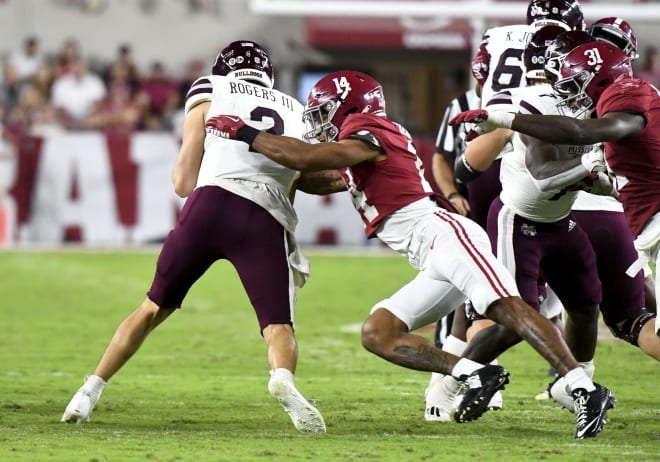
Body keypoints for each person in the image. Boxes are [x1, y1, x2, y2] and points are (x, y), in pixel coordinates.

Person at [206, 69, 615, 438]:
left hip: (443, 234)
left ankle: (584, 389)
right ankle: (474, 373)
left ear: (348, 106)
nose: (320, 121)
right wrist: (253, 165)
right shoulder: (361, 143)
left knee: (509, 307)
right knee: (377, 333)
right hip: (429, 253)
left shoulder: (367, 127)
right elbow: (314, 174)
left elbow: (309, 157)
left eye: (325, 111)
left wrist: (246, 134)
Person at [61, 40, 327, 434]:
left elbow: (184, 180)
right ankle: (283, 379)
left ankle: (88, 391)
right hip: (263, 216)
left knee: (151, 308)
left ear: (223, 69)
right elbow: (300, 179)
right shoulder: (296, 110)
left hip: (209, 205)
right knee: (278, 326)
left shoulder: (212, 88)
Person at [448, 41, 660, 343]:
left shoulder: (623, 97)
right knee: (522, 314)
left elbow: (581, 134)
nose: (571, 94)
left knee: (541, 313)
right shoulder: (600, 102)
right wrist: (602, 182)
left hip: (579, 219)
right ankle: (572, 381)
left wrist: (506, 120)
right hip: (533, 215)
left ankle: (467, 373)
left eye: (576, 84)